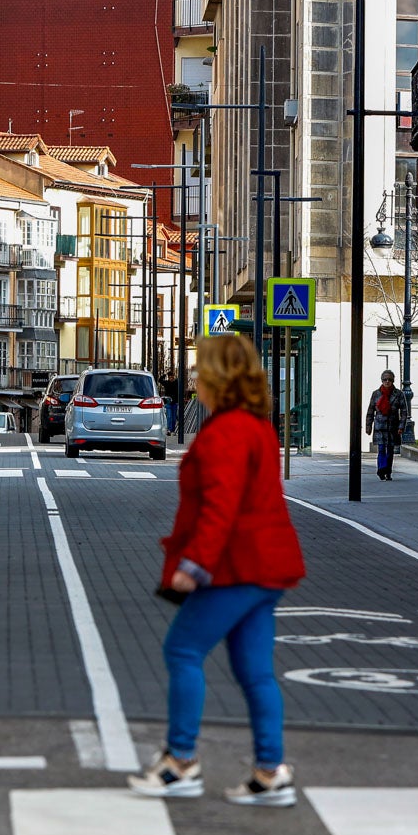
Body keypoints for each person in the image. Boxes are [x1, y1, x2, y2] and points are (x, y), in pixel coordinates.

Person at [128, 333, 306, 807]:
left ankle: (180, 763)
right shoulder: (258, 426)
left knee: (182, 650)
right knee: (255, 672)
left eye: (200, 371)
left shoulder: (227, 431)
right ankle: (271, 772)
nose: (194, 380)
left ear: (218, 378)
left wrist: (194, 565)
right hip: (267, 567)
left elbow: (220, 507)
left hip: (236, 566)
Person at [365, 369, 407, 480]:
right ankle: (381, 469)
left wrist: (401, 426)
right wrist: (368, 426)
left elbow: (403, 411)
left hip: (393, 426)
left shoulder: (398, 394)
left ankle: (388, 471)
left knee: (390, 450)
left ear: (393, 381)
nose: (387, 382)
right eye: (385, 379)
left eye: (389, 379)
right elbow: (370, 411)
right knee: (382, 449)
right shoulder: (376, 394)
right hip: (380, 427)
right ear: (381, 380)